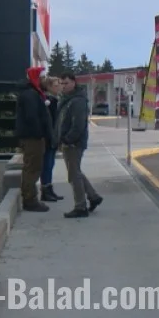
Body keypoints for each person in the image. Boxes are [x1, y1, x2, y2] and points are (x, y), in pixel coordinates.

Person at [57, 72, 103, 218]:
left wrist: (68, 139)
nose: (63, 86)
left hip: (74, 143)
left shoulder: (77, 101)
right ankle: (93, 196)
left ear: (73, 83)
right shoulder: (67, 99)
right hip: (69, 141)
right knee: (76, 171)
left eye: (66, 83)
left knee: (73, 175)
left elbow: (78, 125)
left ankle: (80, 206)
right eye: (61, 83)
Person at [14, 66, 53, 212]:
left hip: (32, 136)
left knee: (32, 167)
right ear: (36, 78)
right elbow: (32, 117)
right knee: (33, 168)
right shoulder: (31, 95)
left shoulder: (33, 93)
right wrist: (40, 134)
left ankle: (30, 198)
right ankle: (30, 200)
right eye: (43, 78)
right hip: (32, 138)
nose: (45, 81)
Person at [39, 76, 64, 202]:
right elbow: (51, 121)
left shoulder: (55, 100)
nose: (60, 86)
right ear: (49, 87)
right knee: (47, 164)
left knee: (50, 164)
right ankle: (45, 190)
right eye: (57, 84)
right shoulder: (49, 101)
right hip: (49, 137)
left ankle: (49, 189)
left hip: (54, 136)